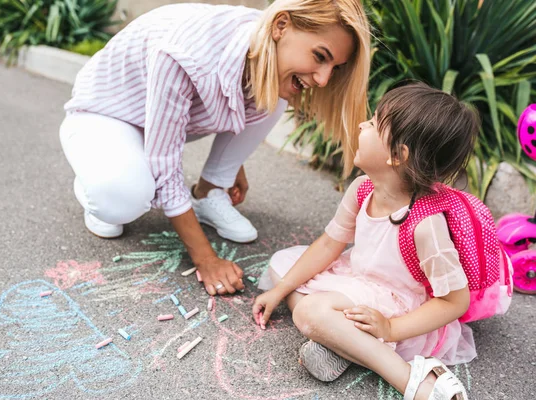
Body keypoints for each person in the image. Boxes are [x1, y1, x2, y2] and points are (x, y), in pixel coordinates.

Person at [59, 0, 371, 296]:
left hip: (161, 120)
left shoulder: (262, 45)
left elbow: (230, 101)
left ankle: (208, 193)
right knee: (124, 199)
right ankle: (97, 182)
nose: (323, 78)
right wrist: (206, 260)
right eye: (320, 56)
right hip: (108, 115)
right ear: (281, 26)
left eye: (335, 67)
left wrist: (230, 168)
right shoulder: (186, 53)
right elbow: (165, 164)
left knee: (277, 92)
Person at [252, 83, 496, 399]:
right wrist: (280, 291)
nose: (361, 125)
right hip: (359, 281)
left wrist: (390, 329)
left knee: (308, 311)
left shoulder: (425, 225)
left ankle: (407, 378)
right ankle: (344, 344)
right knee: (281, 265)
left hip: (397, 311)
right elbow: (329, 244)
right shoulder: (363, 188)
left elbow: (454, 301)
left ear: (397, 154)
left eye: (374, 123)